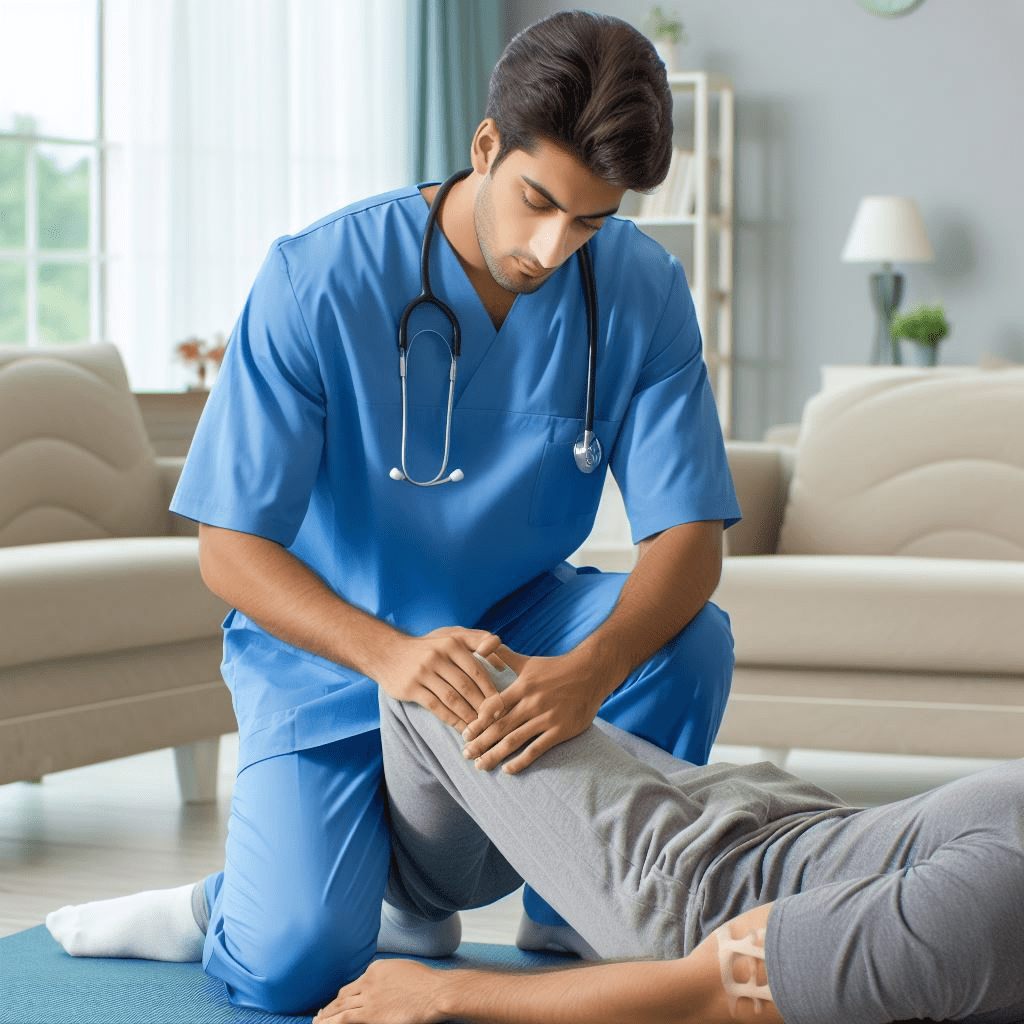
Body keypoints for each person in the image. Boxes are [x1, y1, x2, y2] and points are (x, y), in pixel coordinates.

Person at [44, 10, 740, 1015]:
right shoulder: (316, 278)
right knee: (291, 965)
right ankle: (226, 905)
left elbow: (689, 538)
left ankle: (580, 907)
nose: (553, 248)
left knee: (688, 639)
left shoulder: (641, 287)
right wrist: (391, 656)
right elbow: (230, 548)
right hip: (332, 654)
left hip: (514, 636)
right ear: (486, 146)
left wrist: (591, 669)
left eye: (589, 222)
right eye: (538, 202)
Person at [312, 648, 1024, 1024]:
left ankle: (418, 909)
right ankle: (546, 905)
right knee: (503, 678)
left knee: (430, 682)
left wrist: (443, 993)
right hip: (780, 816)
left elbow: (700, 994)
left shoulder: (986, 910)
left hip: (685, 892)